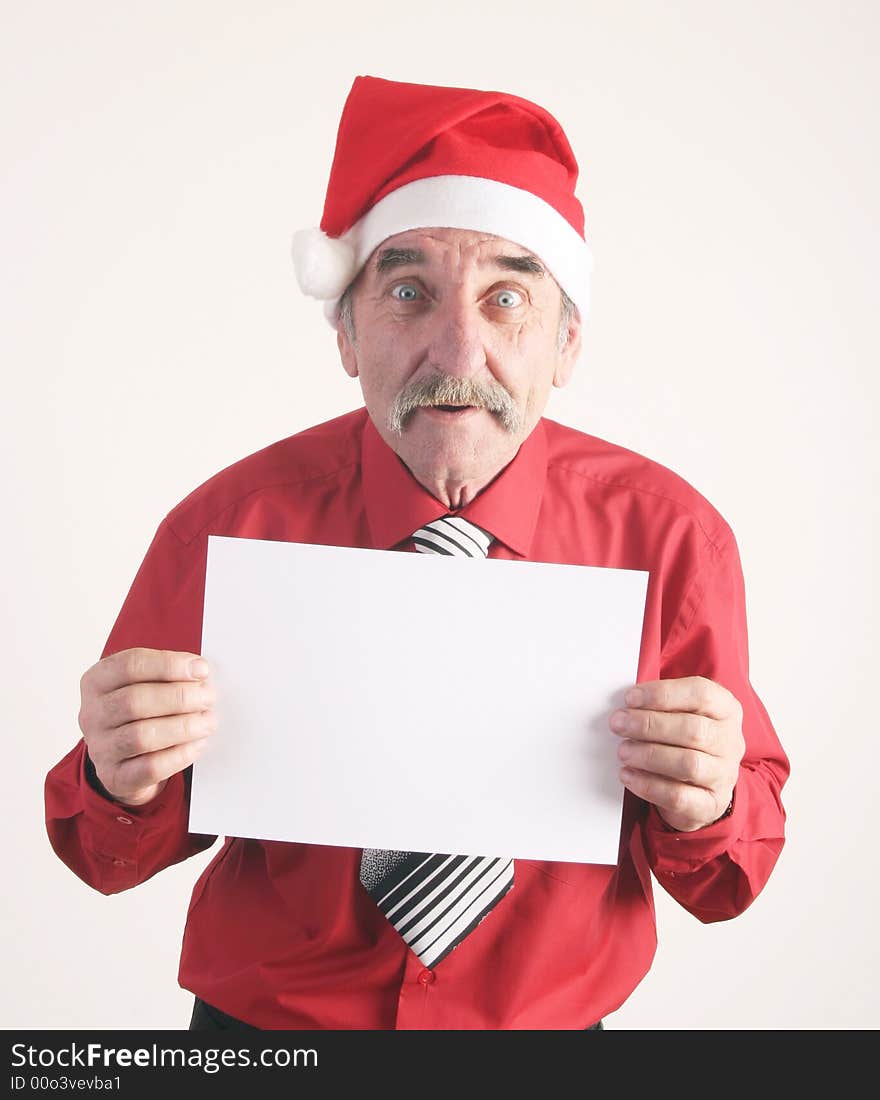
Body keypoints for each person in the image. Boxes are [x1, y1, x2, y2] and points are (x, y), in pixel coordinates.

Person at [44, 74, 789, 1031]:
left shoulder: (673, 540)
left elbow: (733, 879)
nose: (456, 351)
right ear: (347, 333)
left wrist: (711, 798)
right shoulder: (227, 527)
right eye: (407, 291)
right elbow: (101, 851)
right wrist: (116, 775)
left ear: (565, 346)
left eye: (506, 297)